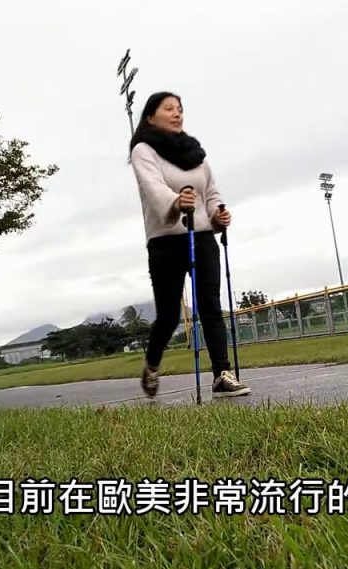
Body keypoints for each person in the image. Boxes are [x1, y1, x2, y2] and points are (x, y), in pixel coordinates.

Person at [129, 91, 251, 399]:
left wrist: (217, 213)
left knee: (210, 306)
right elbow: (154, 188)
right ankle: (152, 365)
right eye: (168, 108)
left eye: (180, 109)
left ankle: (222, 374)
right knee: (169, 315)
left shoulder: (195, 153)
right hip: (165, 241)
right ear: (150, 117)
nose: (177, 113)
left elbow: (211, 191)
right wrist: (175, 202)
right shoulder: (143, 150)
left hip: (202, 237)